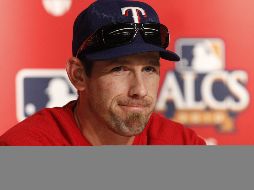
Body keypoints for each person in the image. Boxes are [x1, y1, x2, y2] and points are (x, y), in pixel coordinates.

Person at [0, 0, 206, 145]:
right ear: (78, 75)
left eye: (149, 69)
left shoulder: (182, 144)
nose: (140, 90)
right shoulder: (27, 147)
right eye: (119, 69)